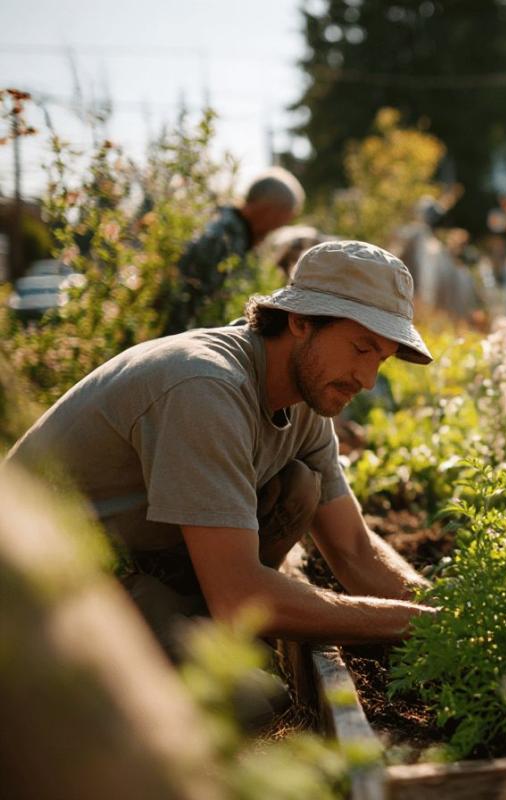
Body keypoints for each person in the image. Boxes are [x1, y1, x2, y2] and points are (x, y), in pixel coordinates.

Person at [8, 240, 435, 658]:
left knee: (300, 485)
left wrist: (449, 615)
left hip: (140, 563)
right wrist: (409, 622)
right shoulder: (205, 388)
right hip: (39, 589)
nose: (367, 379)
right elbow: (239, 596)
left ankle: (193, 623)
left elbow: (354, 550)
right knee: (248, 702)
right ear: (301, 321)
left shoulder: (308, 403)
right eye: (361, 348)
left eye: (381, 359)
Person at [164, 167, 306, 334]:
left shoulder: (237, 236)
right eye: (283, 217)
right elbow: (196, 306)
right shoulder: (221, 240)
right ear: (266, 209)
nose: (279, 227)